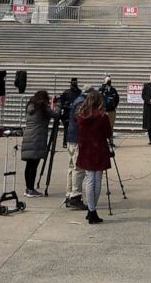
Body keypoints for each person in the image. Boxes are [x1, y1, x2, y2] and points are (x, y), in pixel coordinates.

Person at [75, 90, 112, 224]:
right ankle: (92, 209)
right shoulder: (102, 116)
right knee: (97, 179)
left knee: (90, 179)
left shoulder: (81, 115)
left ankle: (91, 209)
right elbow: (108, 133)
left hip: (86, 148)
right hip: (99, 148)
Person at [22, 90, 59, 198]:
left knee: (29, 164)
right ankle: (31, 189)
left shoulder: (31, 106)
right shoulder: (42, 107)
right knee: (34, 165)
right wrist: (58, 105)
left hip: (28, 136)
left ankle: (28, 187)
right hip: (37, 138)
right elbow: (55, 115)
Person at [63, 91, 87, 210]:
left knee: (72, 167)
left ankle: (69, 194)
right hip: (77, 139)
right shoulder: (81, 103)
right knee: (78, 167)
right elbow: (81, 121)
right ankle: (75, 195)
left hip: (71, 138)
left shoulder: (77, 101)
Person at [58, 78, 82, 148]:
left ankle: (76, 141)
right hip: (67, 113)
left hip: (77, 113)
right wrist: (66, 106)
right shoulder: (66, 93)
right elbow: (61, 103)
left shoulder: (80, 92)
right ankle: (65, 142)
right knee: (66, 128)